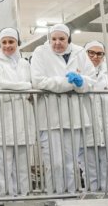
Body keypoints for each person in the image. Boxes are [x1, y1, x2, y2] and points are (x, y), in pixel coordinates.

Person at [30, 23, 94, 194]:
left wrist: (81, 82)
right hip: (49, 116)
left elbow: (91, 78)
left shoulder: (80, 52)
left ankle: (71, 196)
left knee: (71, 163)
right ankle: (56, 197)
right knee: (54, 163)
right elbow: (38, 81)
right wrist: (69, 83)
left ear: (68, 39)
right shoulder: (40, 52)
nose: (57, 43)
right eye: (54, 39)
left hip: (74, 116)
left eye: (61, 39)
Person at [0, 28, 35, 195]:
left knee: (23, 168)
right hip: (0, 122)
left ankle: (23, 199)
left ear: (17, 43)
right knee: (2, 167)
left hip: (22, 121)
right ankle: (5, 201)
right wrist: (25, 88)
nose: (7, 45)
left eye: (11, 41)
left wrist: (13, 90)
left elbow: (32, 87)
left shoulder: (24, 64)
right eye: (3, 42)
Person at [80, 40, 108, 192]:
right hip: (86, 129)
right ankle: (92, 199)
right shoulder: (78, 73)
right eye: (91, 53)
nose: (95, 56)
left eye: (99, 54)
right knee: (89, 169)